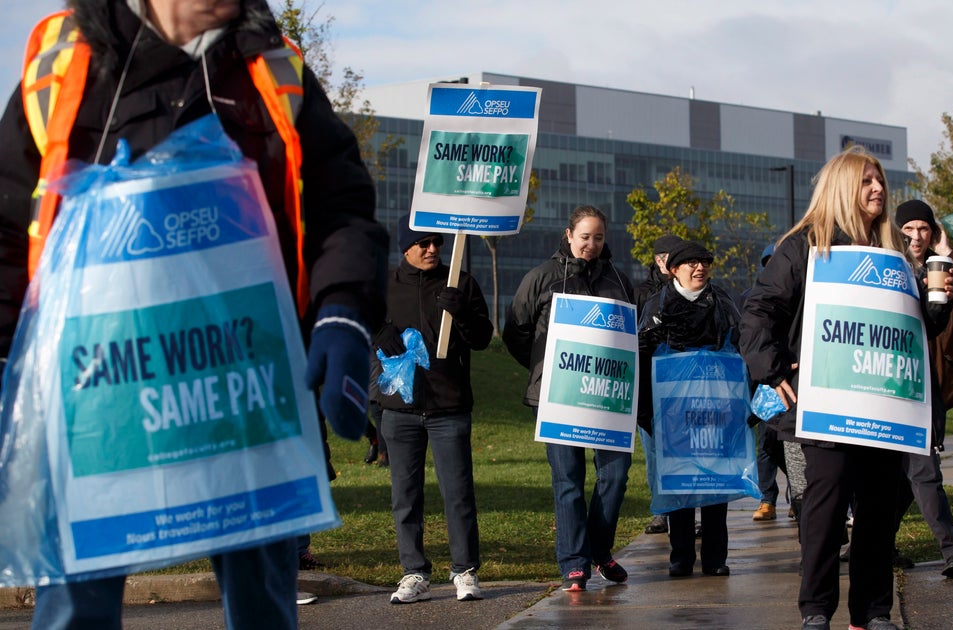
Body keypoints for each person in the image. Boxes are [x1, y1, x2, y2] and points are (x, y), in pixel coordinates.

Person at [0, 0, 389, 627]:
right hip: (97, 396)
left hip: (243, 385)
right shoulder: (68, 60)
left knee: (263, 603)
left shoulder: (271, 68)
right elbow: (8, 221)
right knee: (75, 609)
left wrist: (343, 308)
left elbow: (340, 201)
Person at [738, 146, 952, 630]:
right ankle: (816, 610)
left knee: (878, 508)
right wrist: (774, 370)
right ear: (841, 187)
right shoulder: (804, 248)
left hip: (884, 405)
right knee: (826, 503)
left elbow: (915, 330)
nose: (878, 189)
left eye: (880, 181)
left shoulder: (894, 256)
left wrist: (938, 304)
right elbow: (758, 313)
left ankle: (872, 613)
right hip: (825, 405)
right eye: (866, 181)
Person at [503, 205, 637, 592]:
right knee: (569, 480)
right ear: (568, 235)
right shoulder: (542, 278)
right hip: (558, 397)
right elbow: (516, 331)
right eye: (584, 237)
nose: (591, 244)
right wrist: (544, 372)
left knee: (615, 475)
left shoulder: (620, 281)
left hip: (608, 399)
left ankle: (599, 549)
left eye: (598, 237)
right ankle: (574, 563)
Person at [374, 216, 493, 604]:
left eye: (437, 243)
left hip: (448, 406)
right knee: (405, 496)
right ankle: (413, 573)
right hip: (400, 410)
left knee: (457, 493)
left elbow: (481, 338)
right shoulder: (384, 288)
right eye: (423, 243)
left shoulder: (460, 281)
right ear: (405, 248)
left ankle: (465, 571)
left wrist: (462, 313)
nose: (431, 249)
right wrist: (376, 331)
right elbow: (359, 327)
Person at [893, 199, 953, 579]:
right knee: (902, 476)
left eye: (923, 229)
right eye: (909, 230)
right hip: (892, 382)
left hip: (931, 386)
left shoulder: (942, 268)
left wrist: (950, 254)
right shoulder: (888, 266)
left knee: (922, 471)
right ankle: (884, 543)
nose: (917, 237)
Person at [638, 239, 739, 578]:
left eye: (705, 262)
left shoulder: (723, 303)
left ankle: (715, 558)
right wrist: (646, 411)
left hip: (715, 407)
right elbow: (641, 355)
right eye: (692, 263)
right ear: (674, 270)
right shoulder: (658, 305)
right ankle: (680, 556)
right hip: (673, 411)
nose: (700, 268)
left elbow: (740, 347)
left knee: (715, 481)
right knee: (678, 481)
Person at [635, 232, 681, 535]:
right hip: (649, 383)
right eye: (668, 256)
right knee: (653, 453)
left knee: (681, 452)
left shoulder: (688, 289)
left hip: (678, 383)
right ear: (658, 259)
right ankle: (661, 510)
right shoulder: (641, 293)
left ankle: (688, 509)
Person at [744, 243, 788, 523]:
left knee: (793, 445)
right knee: (766, 445)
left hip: (793, 381)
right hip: (764, 384)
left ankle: (798, 496)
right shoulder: (752, 298)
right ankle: (767, 499)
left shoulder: (802, 297)